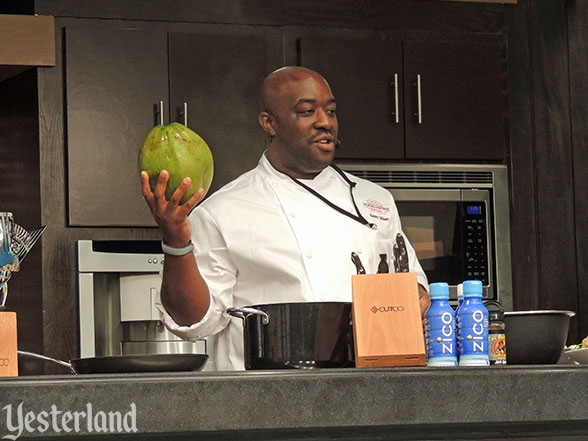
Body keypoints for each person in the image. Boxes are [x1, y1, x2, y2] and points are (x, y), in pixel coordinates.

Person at [140, 66, 430, 370]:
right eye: (307, 111)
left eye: (330, 111)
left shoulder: (375, 200)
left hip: (365, 390)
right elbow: (194, 321)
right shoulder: (222, 211)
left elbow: (410, 282)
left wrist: (418, 296)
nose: (325, 122)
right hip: (264, 398)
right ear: (269, 123)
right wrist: (175, 240)